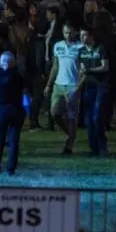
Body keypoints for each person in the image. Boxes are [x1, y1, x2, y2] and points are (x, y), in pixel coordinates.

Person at [44, 22, 83, 155]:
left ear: (76, 32)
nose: (68, 35)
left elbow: (82, 68)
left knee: (72, 116)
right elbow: (55, 66)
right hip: (59, 85)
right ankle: (71, 134)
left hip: (72, 85)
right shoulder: (58, 46)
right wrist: (49, 84)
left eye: (70, 32)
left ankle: (69, 145)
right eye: (66, 32)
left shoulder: (80, 47)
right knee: (54, 113)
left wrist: (79, 85)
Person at [0, 51, 27, 175]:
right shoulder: (18, 77)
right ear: (13, 63)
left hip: (0, 109)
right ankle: (11, 168)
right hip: (15, 109)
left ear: (0, 62)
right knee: (14, 141)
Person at [78, 27, 111, 157]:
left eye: (85, 35)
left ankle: (102, 145)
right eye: (81, 35)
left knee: (97, 117)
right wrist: (78, 85)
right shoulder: (81, 51)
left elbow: (105, 67)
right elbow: (82, 70)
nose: (82, 38)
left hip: (100, 86)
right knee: (89, 120)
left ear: (91, 36)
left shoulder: (100, 48)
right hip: (88, 87)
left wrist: (90, 70)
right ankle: (93, 149)